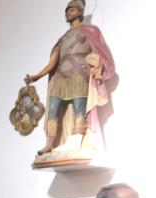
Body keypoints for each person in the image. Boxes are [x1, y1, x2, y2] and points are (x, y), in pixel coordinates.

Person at [25, 0, 115, 156]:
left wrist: (96, 65)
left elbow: (97, 52)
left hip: (79, 73)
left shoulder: (90, 31)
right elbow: (52, 63)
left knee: (80, 108)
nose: (67, 13)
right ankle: (49, 143)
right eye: (66, 11)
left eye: (71, 9)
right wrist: (37, 76)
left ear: (80, 12)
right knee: (52, 109)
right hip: (61, 75)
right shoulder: (63, 38)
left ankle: (77, 140)